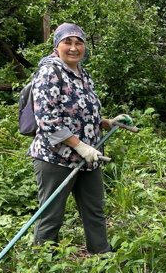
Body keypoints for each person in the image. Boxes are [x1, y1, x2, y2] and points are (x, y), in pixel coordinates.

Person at [29, 23, 131, 254]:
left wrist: (107, 122)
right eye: (68, 42)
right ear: (57, 46)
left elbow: (81, 113)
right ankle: (43, 267)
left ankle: (102, 255)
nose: (74, 48)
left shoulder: (81, 73)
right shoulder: (49, 72)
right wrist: (80, 146)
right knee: (51, 214)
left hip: (89, 155)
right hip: (56, 157)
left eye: (79, 42)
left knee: (94, 209)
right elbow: (48, 119)